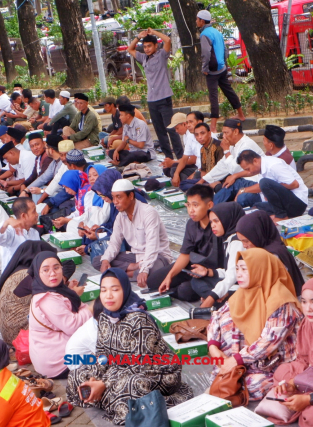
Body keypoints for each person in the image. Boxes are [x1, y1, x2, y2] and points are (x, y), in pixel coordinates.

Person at [67, 269, 193, 424]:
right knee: (77, 374)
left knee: (132, 385)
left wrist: (103, 383)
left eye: (115, 289)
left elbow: (140, 365)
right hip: (119, 367)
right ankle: (107, 397)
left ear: (125, 290)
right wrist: (95, 378)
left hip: (155, 371)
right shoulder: (105, 318)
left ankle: (109, 398)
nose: (108, 295)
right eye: (103, 290)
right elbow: (102, 356)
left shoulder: (139, 320)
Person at [207, 248, 302, 400]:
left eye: (245, 269)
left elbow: (269, 341)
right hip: (243, 360)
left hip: (270, 365)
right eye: (237, 269)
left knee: (251, 385)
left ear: (260, 270)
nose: (239, 273)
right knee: (222, 377)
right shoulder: (241, 294)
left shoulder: (281, 301)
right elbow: (217, 318)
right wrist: (213, 346)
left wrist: (236, 360)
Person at [96, 179, 171, 287]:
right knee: (98, 260)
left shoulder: (148, 213)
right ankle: (133, 269)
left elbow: (152, 245)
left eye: (119, 197)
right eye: (113, 197)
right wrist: (106, 260)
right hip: (136, 257)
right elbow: (114, 243)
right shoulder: (120, 217)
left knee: (155, 272)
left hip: (157, 257)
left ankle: (124, 274)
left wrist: (145, 269)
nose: (115, 201)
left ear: (131, 196)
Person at [29, 252, 91, 379]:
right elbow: (73, 326)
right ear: (38, 273)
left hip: (51, 357)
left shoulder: (54, 291)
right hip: (58, 363)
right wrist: (92, 309)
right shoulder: (47, 299)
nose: (53, 273)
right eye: (46, 270)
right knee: (106, 357)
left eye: (56, 267)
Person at [150, 185, 218, 301]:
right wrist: (169, 276)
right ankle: (181, 284)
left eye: (195, 205)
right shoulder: (191, 224)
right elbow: (185, 254)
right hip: (192, 266)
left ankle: (182, 288)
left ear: (209, 205)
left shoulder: (217, 225)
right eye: (188, 205)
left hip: (210, 272)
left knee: (185, 291)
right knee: (152, 281)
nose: (191, 210)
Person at [129, 28, 183, 159]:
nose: (146, 49)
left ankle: (181, 157)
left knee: (171, 128)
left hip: (164, 98)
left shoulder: (161, 55)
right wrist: (138, 37)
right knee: (160, 131)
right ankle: (168, 157)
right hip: (151, 100)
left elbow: (168, 40)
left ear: (155, 46)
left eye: (149, 46)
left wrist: (153, 32)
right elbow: (130, 49)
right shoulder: (143, 58)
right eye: (145, 46)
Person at [271, 278, 313, 427]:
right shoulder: (308, 323)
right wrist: (293, 383)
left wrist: (309, 399)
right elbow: (304, 360)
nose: (308, 308)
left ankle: (305, 402)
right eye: (304, 302)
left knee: (312, 416)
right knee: (282, 372)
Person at [0, 241, 57, 345]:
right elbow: (55, 302)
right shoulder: (29, 276)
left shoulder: (18, 270)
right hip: (20, 336)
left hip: (9, 332)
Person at [196, 10, 245, 133]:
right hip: (222, 68)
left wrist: (205, 68)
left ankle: (212, 127)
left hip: (212, 71)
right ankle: (241, 114)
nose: (196, 21)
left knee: (213, 97)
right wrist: (224, 64)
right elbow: (225, 49)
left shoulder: (204, 35)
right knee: (228, 91)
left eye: (197, 19)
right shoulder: (217, 32)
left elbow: (206, 54)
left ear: (202, 21)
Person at [235, 210, 305, 295]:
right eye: (242, 241)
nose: (244, 246)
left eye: (246, 241)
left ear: (258, 235)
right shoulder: (264, 251)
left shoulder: (272, 255)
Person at [191, 202, 245, 308]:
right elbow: (230, 270)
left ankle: (219, 301)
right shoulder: (229, 239)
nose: (213, 225)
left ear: (227, 219)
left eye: (216, 221)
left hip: (241, 288)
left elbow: (232, 276)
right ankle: (220, 300)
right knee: (196, 281)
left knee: (195, 286)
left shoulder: (237, 242)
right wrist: (208, 272)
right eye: (211, 222)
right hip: (235, 284)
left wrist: (212, 297)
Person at [236, 149, 308, 220]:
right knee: (256, 206)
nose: (248, 172)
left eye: (248, 169)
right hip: (284, 203)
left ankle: (281, 216)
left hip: (297, 204)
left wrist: (273, 190)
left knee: (264, 183)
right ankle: (277, 214)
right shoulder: (262, 167)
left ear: (255, 161)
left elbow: (294, 184)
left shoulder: (273, 165)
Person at [0, 198, 40, 271]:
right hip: (13, 276)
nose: (37, 214)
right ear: (23, 216)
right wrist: (6, 223)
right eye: (34, 211)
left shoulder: (34, 232)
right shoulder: (10, 231)